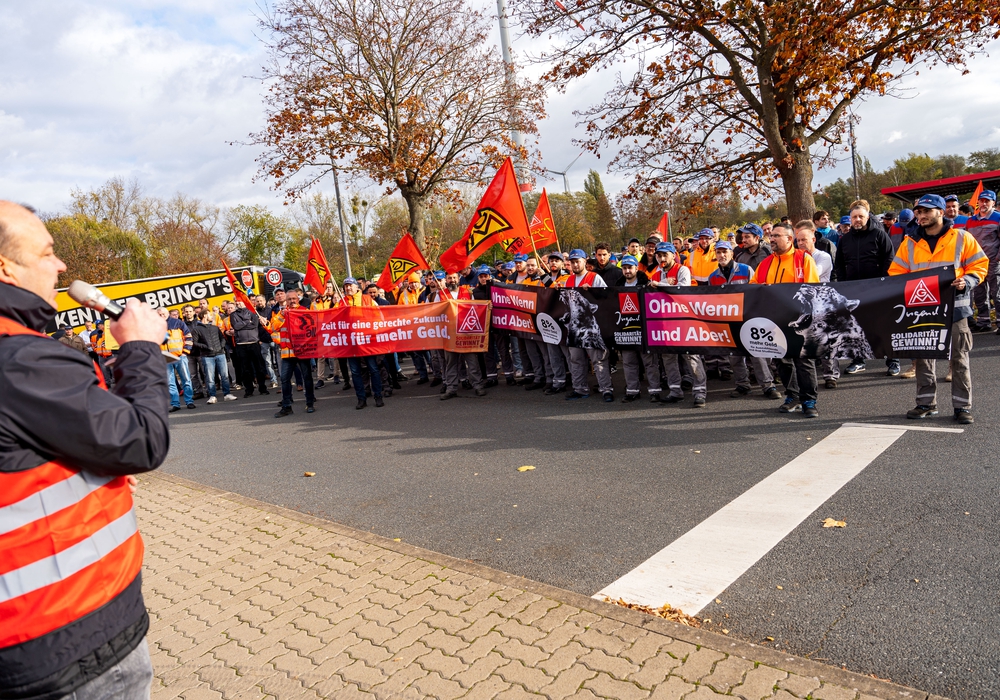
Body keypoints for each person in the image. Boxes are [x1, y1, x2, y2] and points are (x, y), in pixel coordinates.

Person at [0, 200, 170, 700]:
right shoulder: (21, 360)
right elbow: (141, 441)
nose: (62, 267)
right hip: (68, 640)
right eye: (48, 252)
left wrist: (81, 469)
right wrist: (141, 347)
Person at [889, 194, 987, 424]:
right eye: (918, 212)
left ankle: (962, 407)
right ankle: (925, 403)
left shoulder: (962, 238)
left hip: (956, 309)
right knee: (923, 358)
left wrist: (967, 281)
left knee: (959, 359)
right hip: (922, 311)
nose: (921, 216)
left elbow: (980, 265)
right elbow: (896, 273)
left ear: (941, 212)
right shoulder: (909, 242)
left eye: (926, 211)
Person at [752, 222, 821, 417]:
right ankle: (793, 396)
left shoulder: (803, 259)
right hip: (774, 321)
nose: (771, 239)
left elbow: (813, 290)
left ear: (789, 239)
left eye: (776, 236)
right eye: (771, 236)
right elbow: (753, 287)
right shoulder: (765, 263)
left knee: (803, 361)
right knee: (781, 360)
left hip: (800, 320)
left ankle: (809, 400)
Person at [708, 240, 781, 400]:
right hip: (729, 321)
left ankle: (768, 386)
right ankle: (742, 385)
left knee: (757, 353)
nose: (722, 255)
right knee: (734, 356)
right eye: (718, 252)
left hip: (749, 318)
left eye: (724, 251)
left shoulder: (746, 270)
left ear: (731, 253)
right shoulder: (712, 277)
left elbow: (757, 292)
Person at [834, 199, 895, 375]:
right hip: (854, 290)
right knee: (857, 327)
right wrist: (844, 284)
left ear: (867, 217)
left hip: (877, 288)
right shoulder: (844, 240)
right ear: (850, 219)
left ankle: (892, 360)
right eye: (854, 217)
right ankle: (858, 360)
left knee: (883, 325)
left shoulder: (879, 235)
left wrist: (883, 281)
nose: (857, 220)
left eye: (861, 216)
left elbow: (889, 258)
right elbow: (840, 264)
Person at [560, 249, 614, 402]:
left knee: (598, 359)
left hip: (591, 327)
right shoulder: (568, 280)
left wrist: (593, 292)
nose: (575, 264)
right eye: (572, 262)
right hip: (574, 328)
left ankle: (606, 389)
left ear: (585, 261)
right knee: (576, 359)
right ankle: (580, 388)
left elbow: (607, 297)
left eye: (578, 261)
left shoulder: (594, 278)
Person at [618, 255, 662, 402]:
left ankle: (655, 391)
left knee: (650, 362)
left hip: (645, 330)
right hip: (626, 331)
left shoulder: (647, 285)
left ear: (637, 268)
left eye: (630, 267)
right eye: (624, 268)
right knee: (629, 362)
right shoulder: (617, 286)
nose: (627, 271)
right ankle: (632, 391)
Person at [268, 288, 317, 416]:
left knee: (307, 378)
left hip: (302, 352)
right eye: (289, 299)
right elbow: (273, 328)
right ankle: (286, 406)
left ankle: (310, 403)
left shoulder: (304, 311)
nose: (292, 301)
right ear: (286, 300)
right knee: (284, 379)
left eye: (294, 298)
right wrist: (281, 317)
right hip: (287, 353)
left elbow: (312, 328)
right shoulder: (282, 313)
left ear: (298, 299)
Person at [964, 190, 1000, 332]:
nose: (984, 203)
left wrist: (998, 258)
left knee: (997, 293)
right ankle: (983, 321)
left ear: (993, 203)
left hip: (993, 262)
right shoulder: (970, 221)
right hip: (976, 263)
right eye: (982, 200)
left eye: (987, 201)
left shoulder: (998, 218)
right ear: (977, 202)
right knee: (979, 293)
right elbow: (966, 242)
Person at [192, 308, 238, 404]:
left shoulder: (215, 327)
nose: (211, 316)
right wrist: (206, 347)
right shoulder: (196, 329)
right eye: (209, 314)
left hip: (220, 354)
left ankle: (227, 394)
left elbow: (223, 338)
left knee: (224, 375)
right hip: (207, 356)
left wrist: (220, 346)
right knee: (210, 377)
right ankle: (212, 396)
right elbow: (195, 343)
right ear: (204, 315)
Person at [229, 301, 270, 398]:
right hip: (241, 344)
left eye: (239, 301)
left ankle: (262, 388)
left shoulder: (252, 312)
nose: (237, 303)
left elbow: (254, 325)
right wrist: (248, 321)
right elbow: (236, 326)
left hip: (253, 343)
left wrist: (242, 324)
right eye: (236, 301)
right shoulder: (233, 314)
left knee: (259, 367)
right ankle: (249, 390)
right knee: (245, 369)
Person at [158, 306, 195, 412]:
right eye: (159, 315)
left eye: (163, 314)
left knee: (186, 380)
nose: (161, 316)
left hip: (180, 356)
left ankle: (189, 401)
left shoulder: (178, 323)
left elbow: (188, 336)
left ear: (167, 313)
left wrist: (185, 352)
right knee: (170, 382)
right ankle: (175, 404)